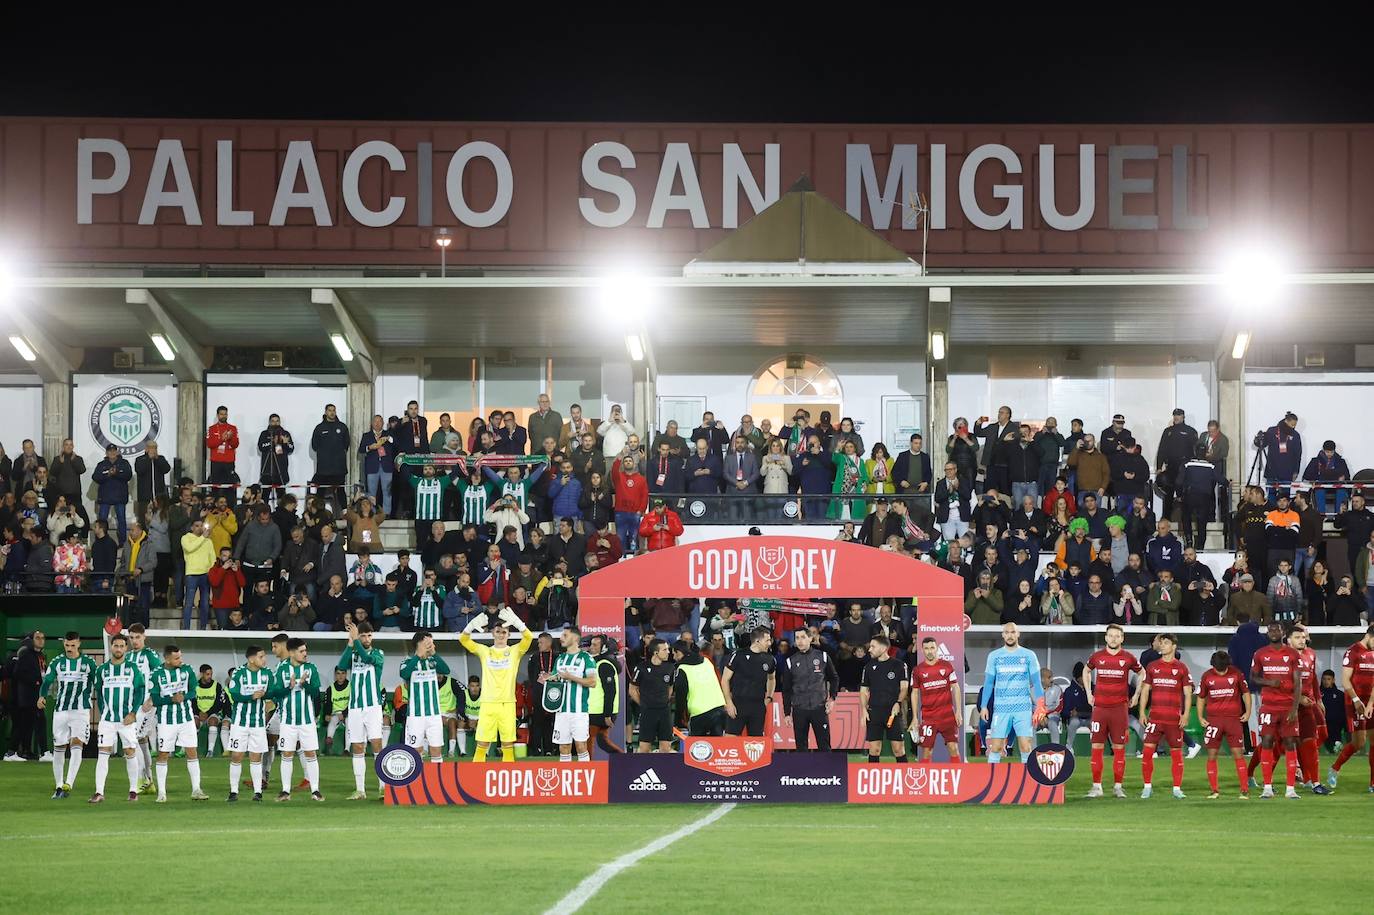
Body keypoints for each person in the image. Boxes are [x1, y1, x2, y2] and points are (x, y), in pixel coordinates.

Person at [460, 607, 533, 762]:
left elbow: (528, 638)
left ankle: (508, 776)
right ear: (493, 633)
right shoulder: (485, 651)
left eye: (504, 632)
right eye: (498, 631)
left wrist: (518, 623)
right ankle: (476, 776)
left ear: (509, 634)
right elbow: (463, 640)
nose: (501, 634)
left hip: (507, 703)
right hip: (488, 703)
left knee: (507, 744)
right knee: (482, 744)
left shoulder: (514, 651)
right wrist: (470, 626)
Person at [1082, 623, 1142, 798]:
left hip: (1119, 709)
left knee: (1119, 747)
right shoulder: (1097, 656)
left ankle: (1118, 787)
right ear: (1106, 638)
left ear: (1122, 638)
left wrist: (1137, 695)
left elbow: (1142, 673)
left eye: (1117, 636)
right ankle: (1097, 787)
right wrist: (1088, 693)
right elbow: (1086, 671)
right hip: (1100, 708)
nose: (1114, 639)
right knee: (1097, 746)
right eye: (1111, 635)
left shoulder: (1128, 658)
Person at [36, 631, 96, 798]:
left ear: (79, 644)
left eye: (73, 645)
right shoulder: (57, 662)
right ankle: (58, 785)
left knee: (77, 743)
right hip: (61, 710)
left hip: (81, 710)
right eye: (67, 645)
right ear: (64, 644)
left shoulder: (88, 663)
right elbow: (47, 680)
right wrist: (41, 696)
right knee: (59, 746)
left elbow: (97, 682)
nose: (70, 648)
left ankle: (69, 783)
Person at [88, 632, 146, 803]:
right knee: (103, 753)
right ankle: (99, 792)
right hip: (107, 720)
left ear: (126, 648)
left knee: (130, 752)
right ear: (111, 647)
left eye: (121, 646)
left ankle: (133, 790)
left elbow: (140, 691)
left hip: (126, 720)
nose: (118, 649)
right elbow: (99, 692)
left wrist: (133, 713)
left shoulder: (133, 668)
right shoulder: (102, 670)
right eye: (116, 646)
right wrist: (103, 712)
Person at [148, 644, 208, 803]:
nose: (180, 660)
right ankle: (162, 792)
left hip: (186, 719)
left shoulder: (187, 670)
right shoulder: (156, 674)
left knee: (192, 751)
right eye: (176, 658)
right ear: (167, 659)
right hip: (166, 721)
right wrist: (171, 699)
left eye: (180, 657)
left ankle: (196, 789)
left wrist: (184, 697)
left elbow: (193, 691)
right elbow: (155, 699)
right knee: (163, 754)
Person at [334, 619, 386, 799]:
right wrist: (350, 643)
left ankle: (383, 787)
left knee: (377, 744)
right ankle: (360, 790)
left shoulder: (378, 653)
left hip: (373, 706)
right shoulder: (354, 653)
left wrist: (355, 640)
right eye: (362, 636)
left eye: (368, 635)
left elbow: (368, 659)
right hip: (355, 707)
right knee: (357, 746)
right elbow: (341, 666)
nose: (366, 639)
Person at [980, 622, 1046, 763]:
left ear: (1018, 634)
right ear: (1003, 635)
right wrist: (984, 705)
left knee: (1026, 747)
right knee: (996, 747)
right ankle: (993, 776)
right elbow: (989, 683)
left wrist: (1040, 705)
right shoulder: (994, 656)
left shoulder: (1029, 655)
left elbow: (1037, 682)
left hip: (1023, 708)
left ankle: (1027, 776)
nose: (1010, 635)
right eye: (1007, 632)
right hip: (1001, 708)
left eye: (1013, 632)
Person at [1251, 622, 1303, 799]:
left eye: (1277, 630)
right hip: (1268, 706)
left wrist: (1295, 708)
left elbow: (1298, 683)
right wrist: (1269, 682)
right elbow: (1253, 677)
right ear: (1267, 633)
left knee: (1290, 742)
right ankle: (1267, 787)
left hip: (1287, 706)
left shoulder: (1292, 654)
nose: (1273, 632)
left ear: (1283, 632)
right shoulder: (1260, 653)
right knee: (1266, 741)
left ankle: (1290, 789)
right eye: (1270, 630)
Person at [1137, 633, 1192, 799]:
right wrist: (1142, 712)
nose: (1162, 645)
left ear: (1174, 646)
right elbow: (1145, 691)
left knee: (1176, 753)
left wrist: (1185, 715)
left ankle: (1176, 789)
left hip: (1173, 719)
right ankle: (1147, 787)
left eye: (1165, 643)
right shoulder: (1152, 666)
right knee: (1147, 752)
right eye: (1161, 643)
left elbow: (1188, 693)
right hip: (1155, 717)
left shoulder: (1181, 668)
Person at [270, 637, 325, 802]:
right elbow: (275, 693)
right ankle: (285, 791)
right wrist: (290, 687)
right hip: (288, 721)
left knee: (310, 753)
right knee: (287, 754)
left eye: (305, 650)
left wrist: (305, 684)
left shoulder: (311, 668)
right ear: (292, 653)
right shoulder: (282, 669)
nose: (305, 654)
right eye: (302, 651)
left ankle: (315, 790)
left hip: (307, 721)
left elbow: (316, 693)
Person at [1195, 649, 1252, 799]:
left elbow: (1246, 693)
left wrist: (1248, 712)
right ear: (1213, 665)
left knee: (1238, 753)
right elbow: (1201, 697)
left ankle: (1244, 789)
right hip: (1214, 720)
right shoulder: (1206, 676)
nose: (1221, 671)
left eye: (1224, 668)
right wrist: (1200, 716)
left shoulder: (1236, 674)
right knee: (1212, 755)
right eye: (1218, 668)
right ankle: (1214, 790)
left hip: (1233, 719)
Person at [1327, 623, 1374, 791]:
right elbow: (1345, 680)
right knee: (1359, 742)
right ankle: (1334, 768)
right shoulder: (1353, 651)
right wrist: (1356, 700)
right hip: (1354, 701)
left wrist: (1371, 703)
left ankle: (1373, 783)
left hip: (1370, 700)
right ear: (1369, 636)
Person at [225, 644, 273, 802]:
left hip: (258, 723)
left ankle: (258, 792)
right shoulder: (238, 673)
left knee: (256, 757)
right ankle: (233, 791)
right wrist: (251, 696)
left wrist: (267, 696)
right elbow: (235, 695)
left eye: (264, 656)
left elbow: (273, 692)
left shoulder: (267, 673)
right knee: (236, 756)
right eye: (261, 657)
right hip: (240, 723)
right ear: (251, 659)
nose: (264, 659)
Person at [544, 626, 597, 763]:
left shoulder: (586, 658)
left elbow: (592, 682)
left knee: (581, 746)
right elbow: (556, 679)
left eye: (565, 635)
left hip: (579, 711)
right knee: (563, 747)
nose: (561, 638)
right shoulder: (560, 659)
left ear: (575, 638)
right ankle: (565, 775)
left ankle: (584, 775)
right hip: (561, 711)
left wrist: (571, 677)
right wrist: (548, 679)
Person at [780, 628, 838, 752]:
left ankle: (826, 766)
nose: (799, 641)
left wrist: (832, 698)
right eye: (797, 638)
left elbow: (834, 678)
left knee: (824, 747)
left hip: (819, 708)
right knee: (801, 749)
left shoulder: (822, 656)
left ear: (810, 638)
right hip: (799, 710)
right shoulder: (790, 661)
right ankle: (803, 766)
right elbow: (786, 689)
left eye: (803, 637)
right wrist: (787, 713)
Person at [398, 630, 449, 765]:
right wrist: (418, 656)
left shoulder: (433, 661)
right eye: (428, 642)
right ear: (419, 644)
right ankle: (418, 778)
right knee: (415, 751)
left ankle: (437, 778)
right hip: (415, 716)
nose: (431, 644)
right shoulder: (408, 661)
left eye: (432, 642)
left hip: (434, 714)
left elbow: (446, 670)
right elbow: (404, 674)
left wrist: (434, 654)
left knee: (436, 750)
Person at [910, 636, 962, 760]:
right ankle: (925, 773)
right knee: (927, 751)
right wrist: (915, 717)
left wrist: (958, 711)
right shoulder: (917, 670)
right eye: (926, 648)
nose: (930, 651)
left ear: (937, 648)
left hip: (947, 716)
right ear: (922, 650)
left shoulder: (947, 665)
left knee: (953, 748)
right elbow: (914, 693)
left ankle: (958, 772)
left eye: (932, 648)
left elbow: (956, 688)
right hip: (928, 717)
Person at [860, 635, 909, 762]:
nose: (869, 649)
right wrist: (864, 710)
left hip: (893, 712)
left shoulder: (899, 665)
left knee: (898, 749)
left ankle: (905, 774)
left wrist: (898, 703)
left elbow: (904, 688)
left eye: (873, 646)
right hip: (874, 712)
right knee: (874, 749)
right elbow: (864, 691)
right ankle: (873, 775)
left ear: (884, 648)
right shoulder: (868, 667)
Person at [721, 627, 776, 737]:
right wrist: (729, 703)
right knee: (730, 740)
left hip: (758, 706)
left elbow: (771, 678)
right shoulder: (738, 655)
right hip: (738, 704)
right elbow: (725, 679)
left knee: (756, 742)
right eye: (767, 640)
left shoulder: (769, 659)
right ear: (757, 641)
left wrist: (769, 697)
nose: (770, 643)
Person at [629, 637, 676, 753]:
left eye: (668, 649)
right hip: (648, 712)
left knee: (665, 748)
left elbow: (670, 687)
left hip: (664, 712)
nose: (668, 652)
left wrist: (664, 700)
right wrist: (643, 704)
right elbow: (632, 689)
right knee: (644, 749)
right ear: (656, 652)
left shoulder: (670, 668)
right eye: (664, 650)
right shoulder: (641, 667)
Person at [310, 404, 351, 509]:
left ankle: (345, 513)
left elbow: (346, 444)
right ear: (325, 412)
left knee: (341, 490)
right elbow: (315, 445)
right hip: (324, 468)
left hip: (339, 468)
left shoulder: (342, 427)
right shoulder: (319, 428)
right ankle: (318, 512)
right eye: (330, 410)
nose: (332, 412)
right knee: (320, 491)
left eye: (333, 410)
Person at [192, 663, 231, 758]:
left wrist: (208, 713)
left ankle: (210, 751)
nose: (210, 676)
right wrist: (198, 713)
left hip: (212, 713)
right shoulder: (194, 686)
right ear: (202, 674)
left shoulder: (217, 685)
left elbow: (218, 703)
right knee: (193, 723)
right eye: (207, 674)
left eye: (211, 674)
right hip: (199, 713)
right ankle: (191, 750)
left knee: (213, 721)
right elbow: (193, 702)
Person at [1260, 412, 1302, 499]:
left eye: (1295, 425)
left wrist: (1296, 471)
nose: (1293, 427)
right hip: (1272, 470)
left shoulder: (1295, 435)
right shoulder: (1272, 431)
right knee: (1271, 496)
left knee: (1285, 497)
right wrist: (1260, 439)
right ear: (1286, 421)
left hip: (1287, 471)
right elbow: (1263, 444)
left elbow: (1298, 455)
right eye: (1292, 424)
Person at [1303, 439, 1351, 515]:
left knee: (1341, 490)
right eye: (1327, 452)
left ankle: (1339, 515)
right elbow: (1306, 475)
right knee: (1319, 491)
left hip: (1337, 485)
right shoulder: (1315, 461)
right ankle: (1321, 515)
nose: (1329, 454)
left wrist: (1343, 477)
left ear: (1334, 451)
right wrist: (1315, 480)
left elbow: (1347, 475)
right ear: (1323, 450)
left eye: (1331, 452)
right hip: (1321, 485)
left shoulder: (1341, 461)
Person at [205, 405, 239, 502]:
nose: (223, 416)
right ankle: (215, 507)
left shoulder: (233, 428)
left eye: (225, 414)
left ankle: (231, 507)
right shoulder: (211, 429)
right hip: (216, 463)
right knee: (215, 488)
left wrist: (230, 438)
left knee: (230, 488)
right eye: (221, 414)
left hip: (229, 462)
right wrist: (222, 439)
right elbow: (209, 444)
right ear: (217, 415)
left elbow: (235, 444)